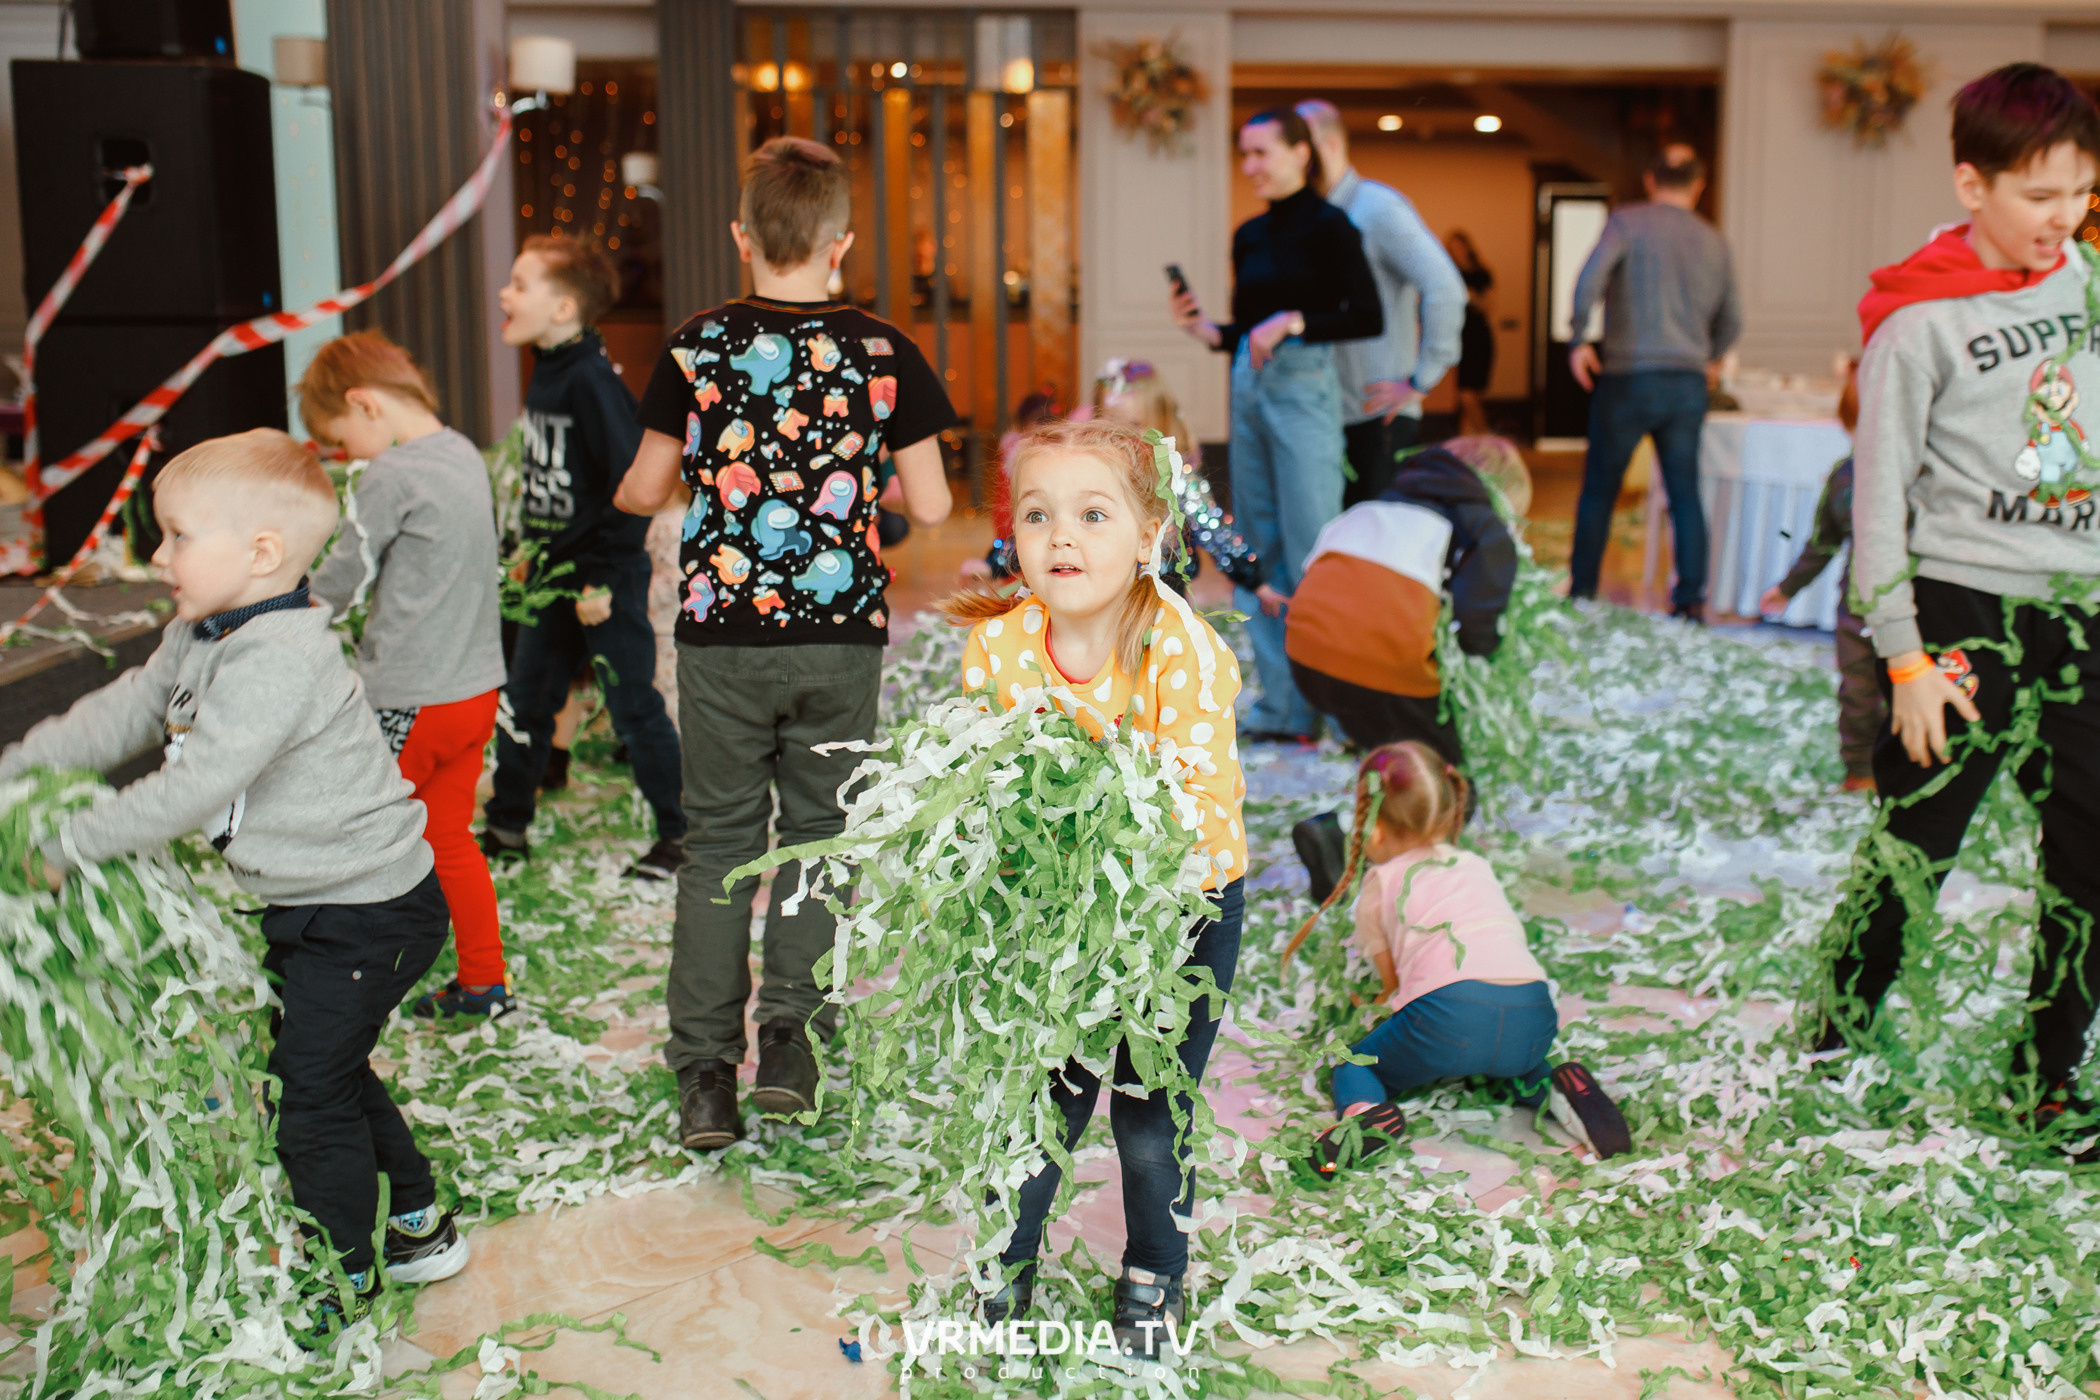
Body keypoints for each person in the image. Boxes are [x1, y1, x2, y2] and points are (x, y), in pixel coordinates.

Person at [0, 430, 471, 1331]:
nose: (156, 555)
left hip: (372, 909)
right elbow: (124, 711)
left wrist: (66, 844)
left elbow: (194, 787)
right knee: (325, 1065)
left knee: (305, 1094)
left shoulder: (281, 658)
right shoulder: (200, 632)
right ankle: (418, 1224)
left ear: (261, 554)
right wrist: (18, 772)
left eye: (176, 537)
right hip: (310, 904)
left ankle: (344, 1279)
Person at [615, 136, 956, 1150]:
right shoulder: (885, 351)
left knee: (719, 846)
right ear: (841, 242)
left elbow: (641, 487)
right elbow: (932, 502)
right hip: (840, 639)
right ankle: (792, 1043)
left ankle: (707, 1076)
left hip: (721, 636)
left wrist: (720, 479)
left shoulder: (698, 344)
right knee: (816, 844)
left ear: (741, 235)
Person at [1821, 65, 2100, 1146]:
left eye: (2080, 192)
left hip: (2078, 609)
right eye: (2040, 194)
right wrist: (1903, 657)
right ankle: (1839, 1033)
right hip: (1959, 608)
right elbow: (1879, 503)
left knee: (2087, 853)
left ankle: (2049, 1071)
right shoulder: (1919, 322)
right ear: (1971, 183)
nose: (2062, 218)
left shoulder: (2090, 288)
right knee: (1917, 840)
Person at [937, 417, 1245, 1360]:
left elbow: (1189, 811)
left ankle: (1154, 1273)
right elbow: (983, 780)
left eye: (1093, 514)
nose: (1061, 537)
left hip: (1178, 912)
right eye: (1038, 515)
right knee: (1041, 1100)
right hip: (1050, 920)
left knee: (1151, 1115)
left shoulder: (1175, 647)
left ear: (1150, 536)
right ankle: (1005, 1263)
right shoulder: (1000, 648)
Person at [1283, 742, 1631, 1173]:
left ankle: (1366, 1116)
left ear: (1369, 829)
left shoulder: (1381, 881)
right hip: (1534, 1013)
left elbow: (1392, 985)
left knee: (1355, 1066)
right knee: (1513, 1066)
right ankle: (1558, 1087)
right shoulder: (1474, 864)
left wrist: (1371, 1007)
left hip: (1446, 1018)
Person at [301, 332, 513, 1022]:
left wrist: (277, 612)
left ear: (364, 405)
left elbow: (345, 577)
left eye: (338, 440)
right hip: (474, 688)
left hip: (411, 696)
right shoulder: (463, 454)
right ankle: (485, 982)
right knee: (449, 836)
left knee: (354, 840)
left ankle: (340, 989)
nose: (344, 457)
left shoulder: (391, 475)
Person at [1172, 106, 1383, 743]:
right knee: (1257, 552)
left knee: (1315, 547)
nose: (1250, 166)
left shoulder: (1333, 227)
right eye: (1245, 154)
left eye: (1261, 152)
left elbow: (1366, 316)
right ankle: (1283, 708)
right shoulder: (1248, 235)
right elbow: (1248, 330)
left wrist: (1294, 320)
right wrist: (1209, 331)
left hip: (1305, 390)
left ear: (1301, 152)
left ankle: (1337, 708)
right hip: (1248, 383)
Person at [481, 232, 685, 879]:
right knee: (527, 699)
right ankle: (507, 826)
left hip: (601, 578)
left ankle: (682, 836)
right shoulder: (549, 368)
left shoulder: (591, 380)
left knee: (633, 705)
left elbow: (632, 488)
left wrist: (598, 577)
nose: (503, 294)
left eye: (519, 283)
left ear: (564, 309)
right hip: (550, 576)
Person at [1566, 144, 1742, 622]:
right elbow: (1733, 319)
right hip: (1686, 381)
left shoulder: (1626, 222)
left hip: (1627, 375)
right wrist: (1712, 357)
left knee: (1600, 490)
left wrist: (1579, 336)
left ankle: (1582, 592)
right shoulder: (1713, 240)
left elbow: (1590, 279)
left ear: (1650, 180)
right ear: (1699, 185)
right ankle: (1688, 602)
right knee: (1684, 492)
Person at [1298, 100, 1467, 506]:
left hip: (1380, 416)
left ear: (1331, 144)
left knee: (1373, 549)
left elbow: (1444, 286)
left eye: (1300, 147)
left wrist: (1421, 380)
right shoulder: (1315, 216)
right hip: (1333, 414)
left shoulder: (1376, 207)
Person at [1758, 362, 1880, 793]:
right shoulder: (1844, 475)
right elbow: (1823, 542)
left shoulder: (1927, 478)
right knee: (1859, 694)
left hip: (1918, 606)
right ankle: (1860, 769)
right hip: (1857, 606)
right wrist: (1788, 588)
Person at [1446, 231, 1497, 437]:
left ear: (1467, 247)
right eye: (1452, 248)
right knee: (1463, 396)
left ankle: (1485, 439)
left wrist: (1470, 296)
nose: (1456, 251)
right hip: (1457, 337)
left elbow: (1490, 306)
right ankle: (1468, 450)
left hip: (1478, 336)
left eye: (1459, 247)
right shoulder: (1447, 273)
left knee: (1473, 395)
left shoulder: (1481, 274)